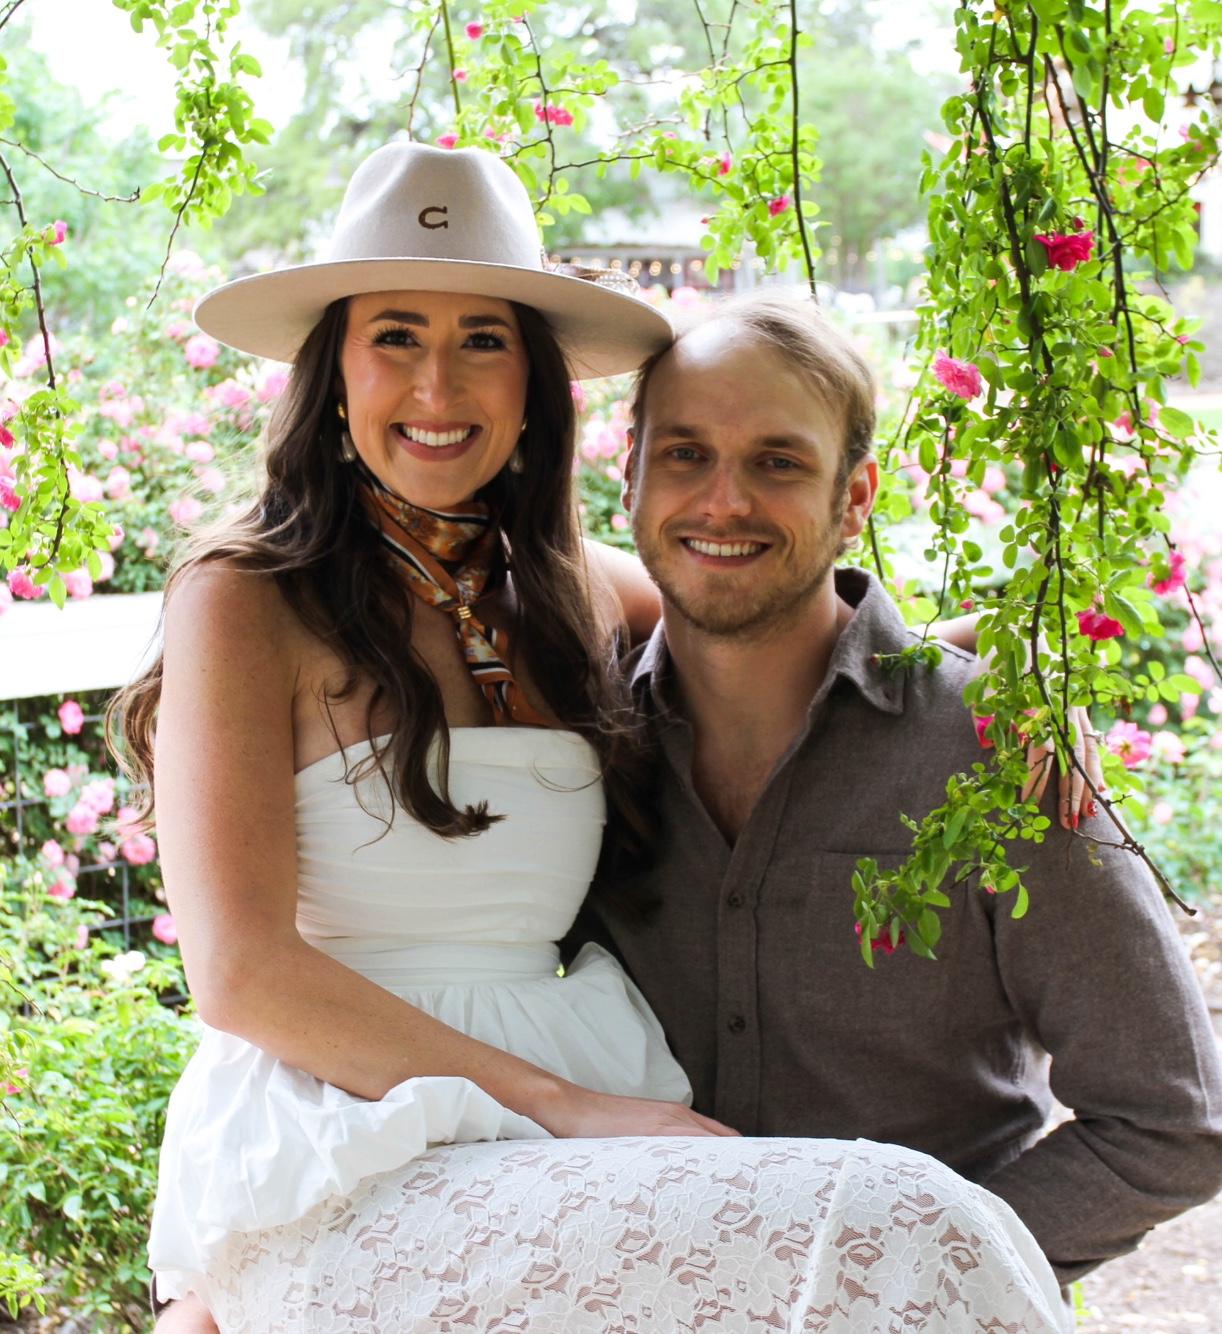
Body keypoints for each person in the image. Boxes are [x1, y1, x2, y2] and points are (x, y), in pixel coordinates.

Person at [109, 143, 1073, 1332]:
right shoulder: (246, 597)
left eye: (481, 339)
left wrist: (997, 673)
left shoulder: (571, 589)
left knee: (883, 1237)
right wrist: (563, 1106)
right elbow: (242, 972)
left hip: (570, 1129)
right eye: (395, 336)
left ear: (532, 378)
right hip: (347, 1144)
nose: (436, 385)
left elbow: (786, 626)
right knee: (887, 1210)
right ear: (334, 368)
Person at [572, 288, 1222, 1293]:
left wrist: (911, 1281)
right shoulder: (575, 751)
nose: (723, 501)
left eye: (777, 462)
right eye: (685, 453)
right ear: (630, 476)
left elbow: (1171, 1118)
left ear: (855, 498)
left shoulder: (999, 751)